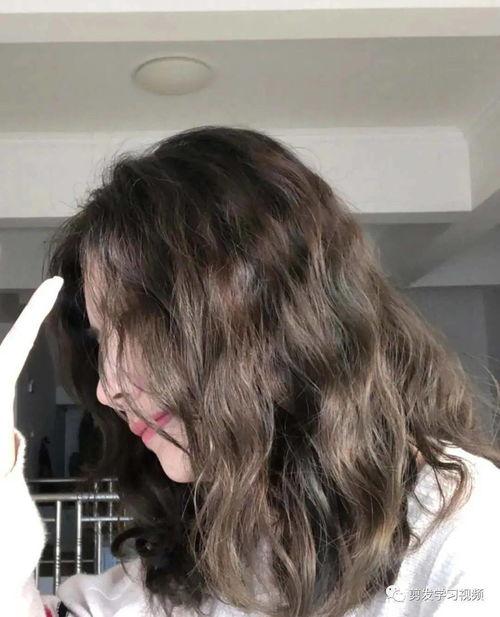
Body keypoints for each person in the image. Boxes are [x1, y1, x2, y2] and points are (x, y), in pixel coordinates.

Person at [1, 126, 500, 617]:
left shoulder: (465, 536)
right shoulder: (205, 553)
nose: (107, 389)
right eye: (101, 340)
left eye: (137, 324)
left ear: (271, 308)